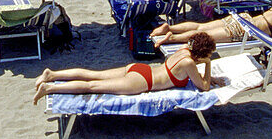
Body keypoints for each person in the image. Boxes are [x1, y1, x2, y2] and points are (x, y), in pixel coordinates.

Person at [33, 31, 219, 104]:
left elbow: (196, 75)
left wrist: (205, 69)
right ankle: (50, 87)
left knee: (93, 75)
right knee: (92, 87)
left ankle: (51, 74)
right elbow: (203, 86)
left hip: (140, 69)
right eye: (207, 54)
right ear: (202, 53)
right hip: (142, 82)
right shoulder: (188, 63)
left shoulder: (184, 50)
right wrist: (209, 65)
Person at [151, 0, 272, 46]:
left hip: (243, 18)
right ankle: (171, 38)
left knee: (201, 27)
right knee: (203, 36)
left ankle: (170, 27)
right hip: (243, 30)